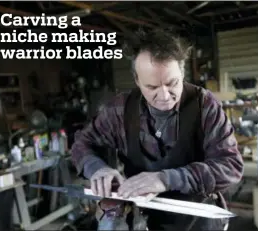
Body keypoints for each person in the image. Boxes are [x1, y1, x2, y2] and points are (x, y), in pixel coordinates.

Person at [71, 28, 244, 231]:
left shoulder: (204, 105)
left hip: (198, 217)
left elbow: (230, 166)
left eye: (172, 83)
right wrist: (96, 168)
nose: (164, 96)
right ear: (137, 81)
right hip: (143, 218)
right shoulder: (121, 109)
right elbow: (83, 143)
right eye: (152, 87)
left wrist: (167, 179)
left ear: (182, 72)